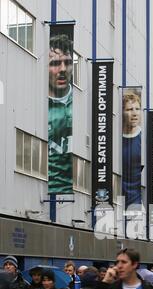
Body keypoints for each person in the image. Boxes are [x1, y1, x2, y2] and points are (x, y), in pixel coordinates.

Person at [48, 33, 73, 194]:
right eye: (56, 63)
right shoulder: (39, 104)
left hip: (75, 192)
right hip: (47, 192)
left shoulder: (78, 102)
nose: (63, 69)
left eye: (68, 63)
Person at [122, 92, 142, 210]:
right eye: (129, 109)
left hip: (135, 204)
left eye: (137, 109)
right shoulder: (115, 138)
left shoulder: (143, 139)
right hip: (116, 200)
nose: (134, 113)